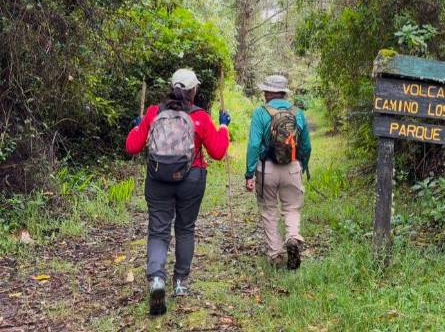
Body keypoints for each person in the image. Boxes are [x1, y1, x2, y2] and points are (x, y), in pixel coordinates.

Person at [126, 68, 231, 316]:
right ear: (194, 91)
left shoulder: (154, 113)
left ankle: (157, 281)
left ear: (171, 87)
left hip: (158, 178)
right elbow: (217, 151)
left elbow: (132, 146)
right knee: (185, 229)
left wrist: (138, 126)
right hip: (192, 178)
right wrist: (224, 127)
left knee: (158, 231)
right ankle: (180, 283)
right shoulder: (200, 117)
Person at [245, 75, 311, 270]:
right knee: (292, 208)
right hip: (291, 167)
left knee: (269, 211)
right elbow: (306, 146)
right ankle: (292, 237)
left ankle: (275, 255)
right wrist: (302, 165)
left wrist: (249, 174)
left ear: (268, 93)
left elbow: (254, 144)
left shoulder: (260, 113)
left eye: (265, 90)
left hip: (267, 169)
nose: (264, 93)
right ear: (284, 93)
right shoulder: (298, 113)